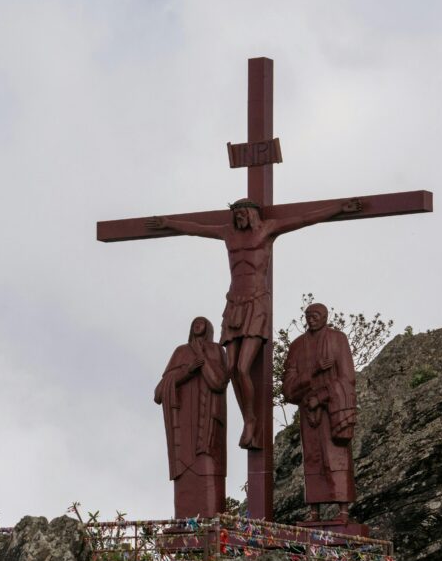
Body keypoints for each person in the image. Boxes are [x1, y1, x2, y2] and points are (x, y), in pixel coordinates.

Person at [146, 197, 361, 449]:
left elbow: (304, 219)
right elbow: (196, 229)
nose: (238, 219)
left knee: (242, 368)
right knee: (231, 370)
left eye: (242, 214)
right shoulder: (228, 234)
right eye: (235, 215)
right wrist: (168, 223)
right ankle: (248, 419)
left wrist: (337, 209)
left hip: (256, 303)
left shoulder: (267, 230)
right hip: (234, 303)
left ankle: (251, 422)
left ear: (252, 213)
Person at [281, 303, 357, 523]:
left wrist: (322, 397)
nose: (311, 319)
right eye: (308, 316)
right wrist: (312, 371)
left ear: (325, 317)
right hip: (308, 414)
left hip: (332, 411)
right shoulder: (297, 346)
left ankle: (343, 510)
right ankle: (314, 511)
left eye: (315, 315)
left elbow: (348, 378)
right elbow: (288, 387)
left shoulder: (337, 339)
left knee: (337, 457)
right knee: (313, 459)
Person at [154, 316, 229, 518]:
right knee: (185, 473)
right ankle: (184, 523)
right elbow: (160, 392)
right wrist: (188, 370)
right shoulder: (180, 352)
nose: (198, 324)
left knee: (208, 468)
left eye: (202, 322)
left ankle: (210, 520)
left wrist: (202, 361)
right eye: (195, 322)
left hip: (208, 425)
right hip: (184, 426)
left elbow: (219, 382)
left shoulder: (216, 350)